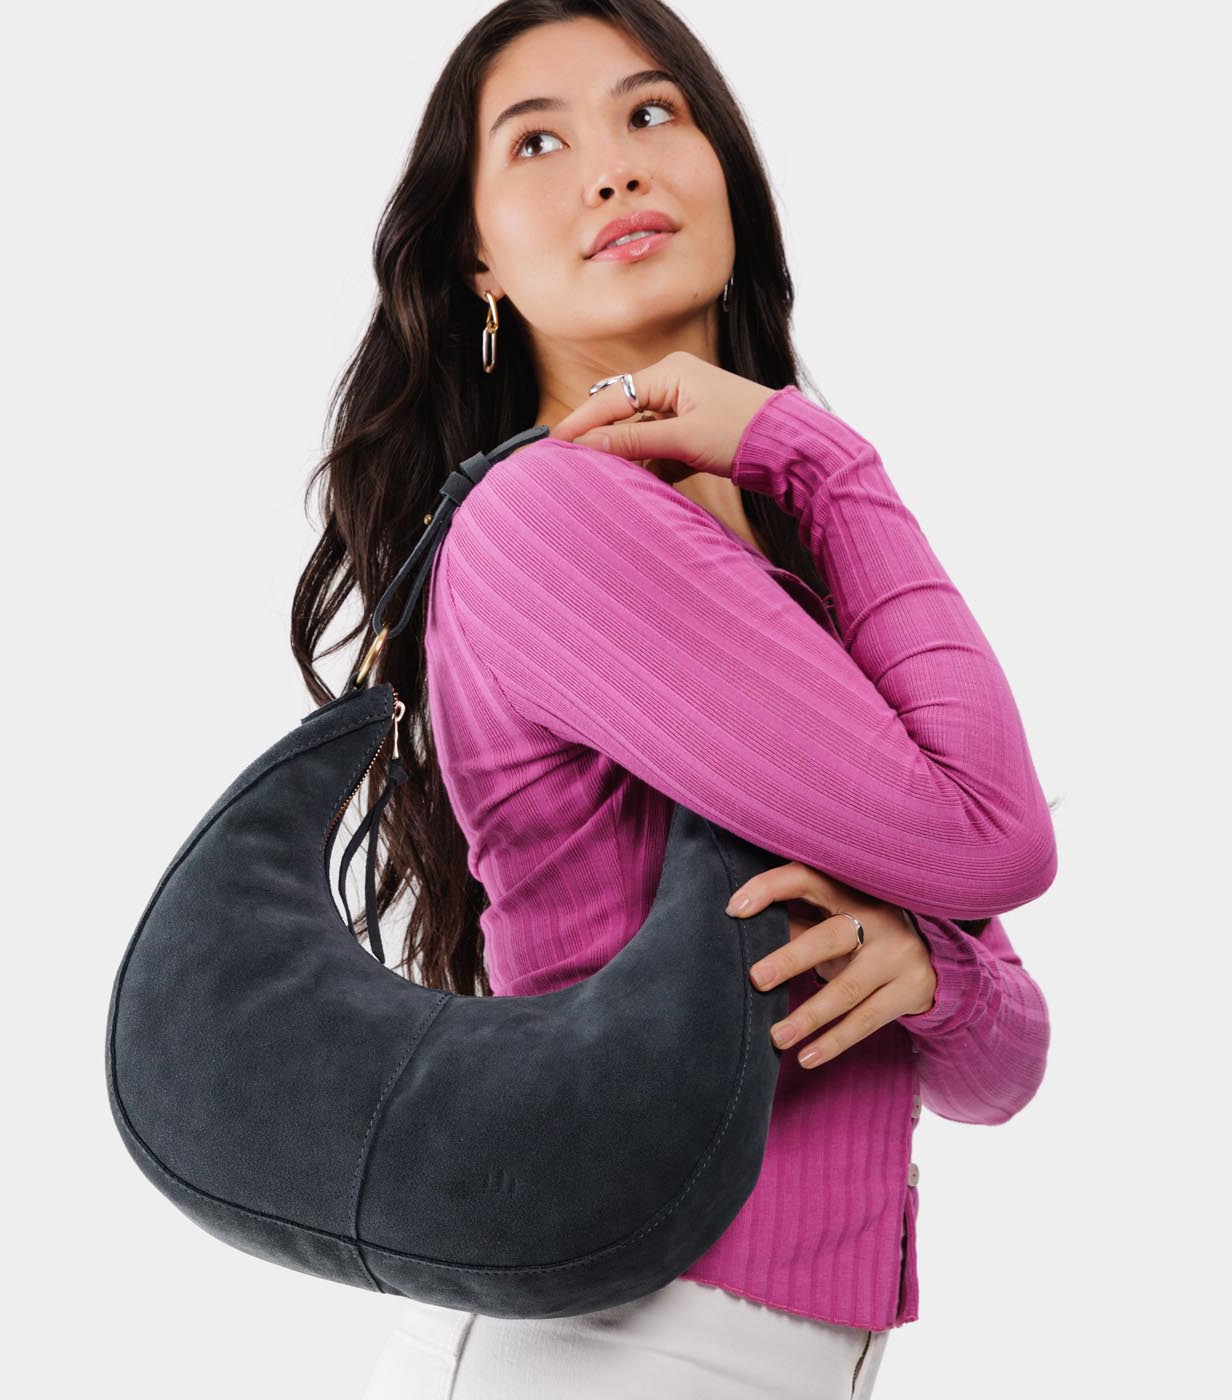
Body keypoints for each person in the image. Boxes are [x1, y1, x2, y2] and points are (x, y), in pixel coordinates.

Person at [291, 4, 1059, 1396]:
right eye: (538, 143)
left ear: (727, 175)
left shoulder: (792, 572)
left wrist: (935, 972)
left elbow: (1006, 1060)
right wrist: (820, 454)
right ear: (476, 259)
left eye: (652, 114)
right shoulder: (553, 519)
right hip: (607, 1347)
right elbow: (999, 837)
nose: (613, 167)